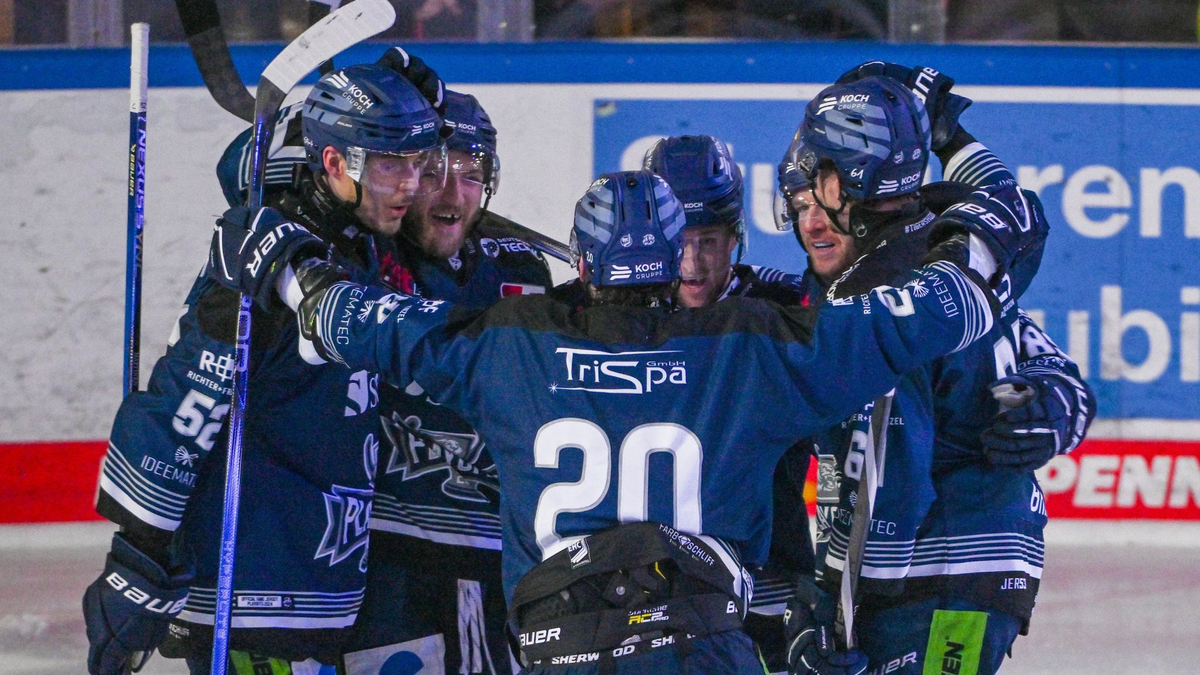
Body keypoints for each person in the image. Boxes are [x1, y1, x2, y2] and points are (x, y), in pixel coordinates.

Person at [206, 162, 1042, 674]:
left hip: (555, 648)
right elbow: (921, 316)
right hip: (706, 644)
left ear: (583, 253)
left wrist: (283, 265)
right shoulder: (752, 350)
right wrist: (984, 243)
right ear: (675, 249)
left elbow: (363, 323)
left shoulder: (510, 348)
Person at [83, 62, 447, 675]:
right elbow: (190, 395)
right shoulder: (264, 263)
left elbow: (246, 164)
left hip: (319, 581)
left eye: (417, 162)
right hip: (254, 590)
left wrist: (398, 81)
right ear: (333, 165)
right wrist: (139, 547)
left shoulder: (357, 242)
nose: (411, 184)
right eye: (390, 164)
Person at [774, 66, 1094, 675]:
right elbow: (1053, 366)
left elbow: (884, 486)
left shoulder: (876, 299)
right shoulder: (953, 245)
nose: (809, 222)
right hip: (990, 568)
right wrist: (1061, 402)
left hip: (925, 578)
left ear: (848, 184)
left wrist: (835, 616)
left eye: (818, 195)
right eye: (797, 205)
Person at [339, 90, 552, 675]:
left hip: (506, 563)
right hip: (387, 563)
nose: (453, 193)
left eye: (471, 173)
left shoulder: (524, 271)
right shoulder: (360, 258)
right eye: (431, 172)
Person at [642, 134, 814, 674]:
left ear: (736, 236)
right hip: (647, 587)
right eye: (679, 240)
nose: (692, 263)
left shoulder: (785, 307)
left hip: (768, 580)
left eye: (710, 241)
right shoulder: (616, 313)